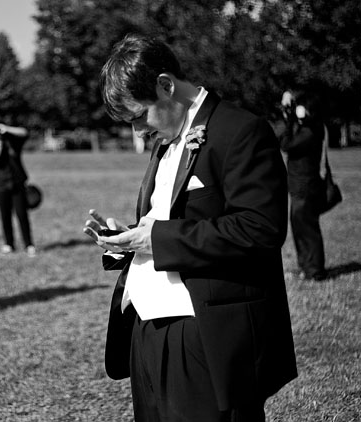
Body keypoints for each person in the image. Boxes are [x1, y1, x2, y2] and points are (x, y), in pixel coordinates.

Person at [83, 34, 297, 421]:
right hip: (145, 332)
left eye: (138, 116)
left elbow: (260, 228)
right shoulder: (165, 138)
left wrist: (156, 238)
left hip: (204, 335)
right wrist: (129, 237)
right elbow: (174, 220)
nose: (137, 132)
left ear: (166, 85)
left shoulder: (241, 131)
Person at [278, 90, 328, 281]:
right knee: (300, 227)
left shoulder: (310, 131)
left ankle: (315, 270)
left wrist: (289, 120)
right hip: (300, 186)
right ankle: (307, 267)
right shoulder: (309, 127)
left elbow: (286, 144)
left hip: (305, 187)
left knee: (307, 228)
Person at [0, 121, 36, 257]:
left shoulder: (13, 142)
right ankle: (9, 244)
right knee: (5, 215)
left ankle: (29, 244)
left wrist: (6, 129)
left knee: (22, 215)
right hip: (0, 185)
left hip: (17, 183)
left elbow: (25, 132)